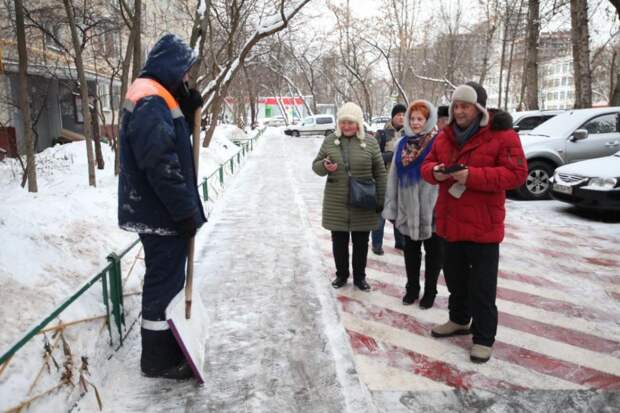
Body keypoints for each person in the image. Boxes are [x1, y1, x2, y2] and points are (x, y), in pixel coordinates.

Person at [118, 34, 206, 379]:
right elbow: (161, 165)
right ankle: (158, 359)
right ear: (171, 67)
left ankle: (167, 346)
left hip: (157, 209)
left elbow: (167, 139)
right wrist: (183, 212)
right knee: (164, 283)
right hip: (159, 212)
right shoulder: (151, 100)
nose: (187, 78)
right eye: (185, 72)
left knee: (167, 280)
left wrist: (183, 108)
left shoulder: (156, 94)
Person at [421, 82, 527, 363]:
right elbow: (426, 165)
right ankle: (458, 320)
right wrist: (436, 172)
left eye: (465, 106)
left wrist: (473, 177)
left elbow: (516, 174)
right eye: (456, 106)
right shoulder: (444, 137)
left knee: (482, 287)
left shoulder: (502, 135)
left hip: (483, 227)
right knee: (455, 280)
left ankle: (483, 338)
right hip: (450, 223)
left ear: (478, 108)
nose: (459, 111)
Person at [312, 102, 387, 291]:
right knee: (339, 242)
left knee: (361, 243)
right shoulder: (330, 140)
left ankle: (360, 277)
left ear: (359, 124)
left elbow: (380, 172)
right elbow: (316, 166)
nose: (346, 126)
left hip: (363, 202)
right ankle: (341, 275)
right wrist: (324, 166)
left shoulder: (370, 142)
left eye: (351, 123)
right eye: (343, 122)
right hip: (336, 202)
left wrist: (381, 198)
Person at [383, 100, 444, 308]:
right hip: (407, 208)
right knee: (411, 252)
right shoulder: (402, 144)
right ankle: (412, 288)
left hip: (433, 208)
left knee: (434, 254)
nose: (416, 123)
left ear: (429, 120)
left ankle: (430, 291)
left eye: (420, 119)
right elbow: (393, 177)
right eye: (412, 118)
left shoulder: (438, 142)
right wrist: (391, 206)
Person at [371, 104, 407, 255]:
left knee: (400, 214)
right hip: (384, 181)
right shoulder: (383, 134)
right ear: (392, 117)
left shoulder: (410, 135)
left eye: (403, 114)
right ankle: (377, 244)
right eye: (398, 114)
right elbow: (374, 157)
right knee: (380, 215)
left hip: (402, 182)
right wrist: (393, 155)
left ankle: (400, 243)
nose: (401, 117)